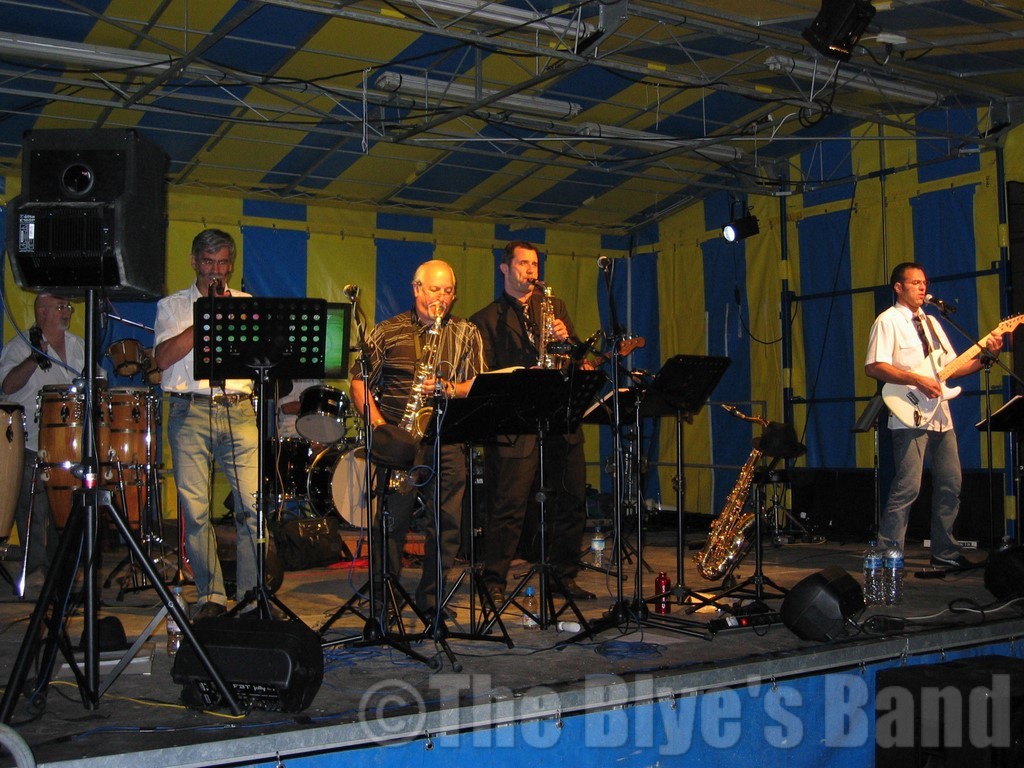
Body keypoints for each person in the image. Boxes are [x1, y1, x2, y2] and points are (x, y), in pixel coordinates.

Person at [349, 260, 483, 620]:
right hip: (399, 437)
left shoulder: (466, 332)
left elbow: (478, 384)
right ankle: (384, 600)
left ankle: (431, 600)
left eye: (447, 291)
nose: (441, 298)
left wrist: (448, 388)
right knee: (390, 523)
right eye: (433, 289)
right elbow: (359, 382)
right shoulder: (386, 331)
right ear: (416, 289)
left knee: (447, 526)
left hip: (446, 437)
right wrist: (378, 426)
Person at [470, 240, 595, 605]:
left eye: (535, 265)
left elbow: (576, 362)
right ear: (505, 269)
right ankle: (493, 579)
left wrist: (566, 342)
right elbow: (486, 376)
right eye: (523, 264)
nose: (531, 271)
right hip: (516, 421)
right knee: (508, 504)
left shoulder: (554, 308)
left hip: (559, 418)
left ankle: (563, 576)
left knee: (571, 499)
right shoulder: (486, 319)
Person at [154, 229, 263, 621]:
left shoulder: (247, 304)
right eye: (208, 263)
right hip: (190, 410)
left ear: (230, 264)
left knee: (252, 507)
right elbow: (163, 359)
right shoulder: (173, 306)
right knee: (196, 511)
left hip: (238, 408)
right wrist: (207, 316)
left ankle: (252, 597)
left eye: (223, 263)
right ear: (194, 262)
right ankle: (211, 596)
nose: (217, 271)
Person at [865, 262, 1004, 569]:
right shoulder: (888, 321)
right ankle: (889, 552)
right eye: (915, 283)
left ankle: (945, 552)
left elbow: (953, 368)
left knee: (950, 484)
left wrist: (988, 355)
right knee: (908, 486)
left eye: (924, 282)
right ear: (898, 287)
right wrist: (917, 379)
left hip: (941, 414)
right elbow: (874, 366)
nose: (922, 287)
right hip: (909, 414)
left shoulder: (932, 322)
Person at [0, 293, 85, 588]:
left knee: (68, 509)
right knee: (33, 513)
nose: (67, 313)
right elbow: (7, 386)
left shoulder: (78, 345)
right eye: (61, 307)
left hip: (71, 444)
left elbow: (94, 380)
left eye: (67, 307)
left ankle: (66, 567)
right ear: (41, 312)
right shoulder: (19, 345)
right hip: (33, 441)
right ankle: (35, 569)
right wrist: (34, 359)